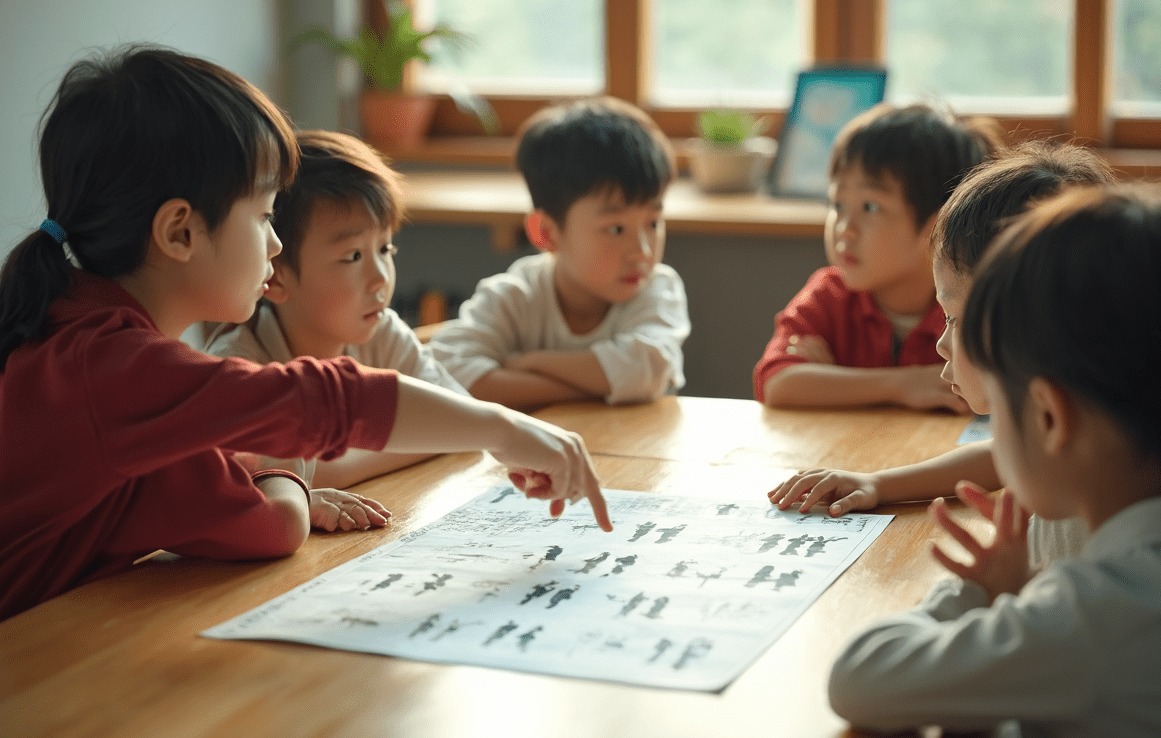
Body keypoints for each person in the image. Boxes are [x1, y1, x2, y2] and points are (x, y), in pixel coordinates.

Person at [0, 46, 610, 622]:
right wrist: (503, 427)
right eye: (265, 215)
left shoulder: (80, 334)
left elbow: (259, 523)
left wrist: (276, 479)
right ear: (180, 232)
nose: (276, 242)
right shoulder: (107, 367)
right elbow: (320, 413)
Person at [827, 184, 1161, 736]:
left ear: (1049, 418)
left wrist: (973, 593)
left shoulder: (1092, 616)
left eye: (997, 407)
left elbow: (859, 677)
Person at [769, 141, 1116, 571]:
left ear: (1018, 323)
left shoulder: (1101, 495)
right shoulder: (1086, 431)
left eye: (953, 318)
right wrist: (877, 484)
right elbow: (998, 456)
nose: (941, 342)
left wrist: (1016, 587)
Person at [194, 129, 467, 489]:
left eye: (385, 249)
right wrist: (416, 436)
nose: (380, 278)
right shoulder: (239, 368)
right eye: (353, 256)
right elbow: (255, 477)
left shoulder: (381, 332)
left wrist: (334, 467)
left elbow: (459, 417)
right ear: (275, 277)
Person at [430, 97, 691, 411]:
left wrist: (529, 363)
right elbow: (450, 372)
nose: (643, 252)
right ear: (547, 233)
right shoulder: (515, 296)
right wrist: (593, 387)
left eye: (653, 223)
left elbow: (644, 371)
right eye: (616, 229)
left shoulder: (656, 289)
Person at [753, 103, 1002, 411]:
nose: (845, 229)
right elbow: (776, 382)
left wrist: (835, 381)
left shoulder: (967, 309)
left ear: (938, 226)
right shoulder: (830, 295)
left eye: (870, 207)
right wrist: (905, 384)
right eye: (837, 205)